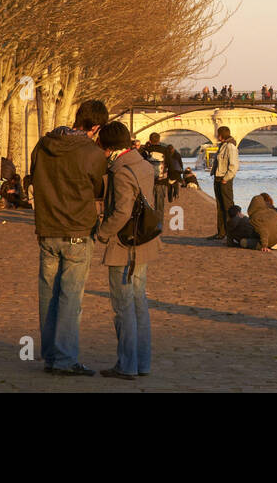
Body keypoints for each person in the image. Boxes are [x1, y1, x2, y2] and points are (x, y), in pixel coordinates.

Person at [30, 98, 110, 376]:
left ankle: (51, 354)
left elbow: (34, 176)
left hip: (47, 227)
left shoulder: (42, 145)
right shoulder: (92, 153)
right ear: (96, 126)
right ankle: (64, 358)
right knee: (70, 297)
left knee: (48, 293)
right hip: (77, 229)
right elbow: (99, 188)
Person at [94, 122, 158, 380]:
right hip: (144, 241)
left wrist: (102, 232)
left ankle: (127, 364)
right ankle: (143, 362)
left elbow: (121, 211)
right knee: (139, 302)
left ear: (108, 146)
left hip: (124, 245)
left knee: (123, 306)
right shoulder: (143, 164)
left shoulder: (120, 171)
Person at [208, 126, 237, 240]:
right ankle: (221, 232)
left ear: (221, 135)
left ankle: (231, 233)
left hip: (225, 180)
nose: (216, 135)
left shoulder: (231, 147)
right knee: (220, 207)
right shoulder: (222, 146)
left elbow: (234, 165)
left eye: (217, 134)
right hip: (218, 179)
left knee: (228, 207)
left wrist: (226, 178)